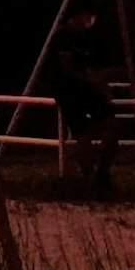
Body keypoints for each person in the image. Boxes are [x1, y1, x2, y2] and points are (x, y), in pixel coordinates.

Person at [41, 11, 120, 193]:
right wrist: (95, 82)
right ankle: (90, 177)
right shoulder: (62, 37)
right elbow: (68, 68)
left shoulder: (85, 38)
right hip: (66, 88)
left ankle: (102, 173)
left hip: (83, 86)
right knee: (81, 130)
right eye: (85, 16)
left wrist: (99, 80)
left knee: (112, 124)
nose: (89, 21)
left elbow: (86, 67)